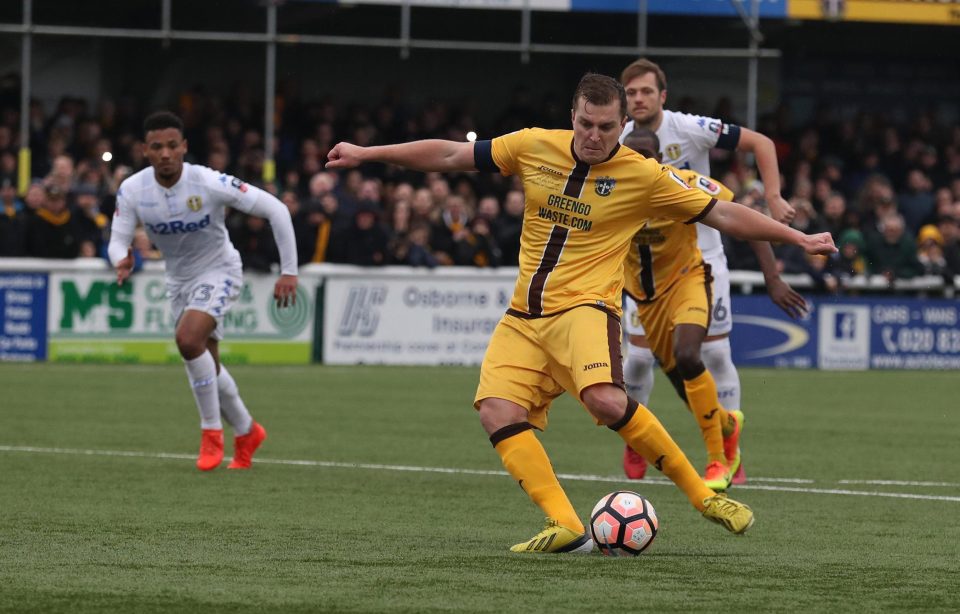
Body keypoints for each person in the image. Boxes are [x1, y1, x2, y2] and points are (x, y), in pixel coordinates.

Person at [327, 73, 835, 553]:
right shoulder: (531, 145)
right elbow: (450, 154)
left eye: (606, 127)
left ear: (622, 126)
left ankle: (706, 497)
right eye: (586, 124)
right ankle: (565, 523)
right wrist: (368, 153)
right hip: (523, 316)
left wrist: (797, 238)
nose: (594, 136)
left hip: (586, 309)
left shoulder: (644, 175)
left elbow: (721, 212)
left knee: (606, 400)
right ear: (573, 114)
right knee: (495, 411)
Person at [618, 58, 797, 484]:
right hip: (644, 263)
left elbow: (761, 145)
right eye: (631, 93)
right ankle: (636, 438)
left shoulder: (690, 128)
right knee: (639, 361)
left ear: (663, 96)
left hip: (703, 256)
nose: (638, 99)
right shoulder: (617, 138)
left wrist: (772, 195)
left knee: (712, 353)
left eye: (646, 91)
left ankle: (728, 451)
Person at [107, 111, 298, 471]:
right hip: (178, 281)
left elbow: (276, 210)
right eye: (156, 147)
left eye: (172, 146)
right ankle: (247, 430)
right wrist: (122, 258)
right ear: (144, 151)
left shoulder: (208, 182)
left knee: (188, 341)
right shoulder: (133, 190)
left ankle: (211, 433)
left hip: (220, 269)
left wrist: (289, 271)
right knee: (208, 363)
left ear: (184, 147)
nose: (165, 153)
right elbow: (117, 242)